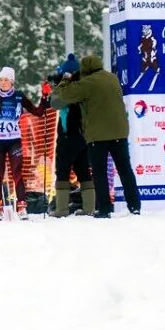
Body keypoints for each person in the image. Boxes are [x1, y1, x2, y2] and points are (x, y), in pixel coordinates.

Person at [53, 55, 141, 218]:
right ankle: (135, 205)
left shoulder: (88, 83)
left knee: (99, 173)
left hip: (98, 136)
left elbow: (62, 97)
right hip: (119, 133)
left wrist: (65, 79)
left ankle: (105, 208)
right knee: (125, 170)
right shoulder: (112, 78)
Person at [0, 65, 50, 220]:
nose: (3, 82)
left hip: (14, 140)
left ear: (12, 81)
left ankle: (22, 207)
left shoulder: (19, 96)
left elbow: (38, 112)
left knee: (17, 174)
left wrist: (44, 97)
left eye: (6, 80)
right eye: (1, 79)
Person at [49, 54, 94, 217]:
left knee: (62, 171)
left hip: (68, 137)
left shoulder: (69, 89)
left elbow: (54, 102)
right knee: (84, 172)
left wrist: (60, 84)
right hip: (84, 136)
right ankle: (89, 207)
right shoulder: (85, 86)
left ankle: (61, 209)